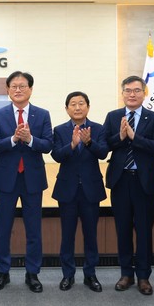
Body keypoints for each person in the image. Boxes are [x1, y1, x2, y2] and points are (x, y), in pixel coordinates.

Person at [0, 71, 53, 293]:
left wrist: (30, 139)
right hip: (6, 179)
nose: (18, 90)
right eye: (14, 86)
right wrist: (14, 139)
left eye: (22, 86)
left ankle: (32, 273)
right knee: (3, 228)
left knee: (34, 229)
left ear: (30, 89)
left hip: (32, 179)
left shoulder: (42, 114)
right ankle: (2, 272)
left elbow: (48, 145)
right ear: (7, 90)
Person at [102, 75, 154, 295]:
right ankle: (126, 274)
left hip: (143, 181)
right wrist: (120, 136)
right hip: (120, 181)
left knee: (144, 230)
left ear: (144, 93)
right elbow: (103, 145)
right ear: (122, 93)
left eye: (137, 90)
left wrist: (134, 137)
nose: (132, 94)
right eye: (128, 90)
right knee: (123, 229)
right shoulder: (113, 116)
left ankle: (144, 277)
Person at [50, 91, 108, 292]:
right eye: (73, 104)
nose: (77, 107)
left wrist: (89, 142)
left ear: (88, 107)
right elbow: (56, 155)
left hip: (91, 189)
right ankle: (68, 275)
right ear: (66, 109)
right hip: (67, 190)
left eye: (81, 103)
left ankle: (90, 274)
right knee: (67, 235)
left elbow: (103, 153)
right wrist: (73, 145)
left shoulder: (98, 128)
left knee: (91, 235)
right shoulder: (59, 130)